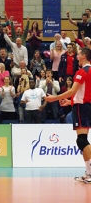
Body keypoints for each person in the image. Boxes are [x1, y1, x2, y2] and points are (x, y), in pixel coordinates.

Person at [45, 48, 91, 183]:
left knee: (82, 141)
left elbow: (73, 91)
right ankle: (88, 173)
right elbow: (84, 94)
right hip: (84, 106)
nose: (77, 56)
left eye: (79, 54)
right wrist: (70, 102)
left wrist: (54, 98)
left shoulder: (82, 72)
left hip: (81, 108)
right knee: (82, 140)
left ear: (83, 56)